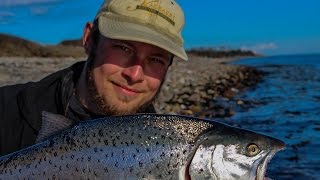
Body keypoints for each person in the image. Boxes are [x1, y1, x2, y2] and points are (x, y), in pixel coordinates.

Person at [0, 0, 188, 156]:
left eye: (156, 59)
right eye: (123, 48)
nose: (135, 74)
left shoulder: (172, 151)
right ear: (89, 39)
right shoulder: (6, 111)